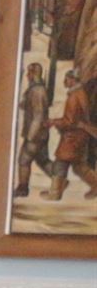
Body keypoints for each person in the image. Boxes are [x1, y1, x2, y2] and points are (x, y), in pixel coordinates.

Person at [41, 68, 97, 200]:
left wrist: (53, 122)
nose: (64, 81)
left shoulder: (74, 96)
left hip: (72, 137)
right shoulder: (80, 93)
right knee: (78, 166)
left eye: (66, 79)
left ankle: (55, 194)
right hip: (78, 136)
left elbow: (70, 121)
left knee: (61, 162)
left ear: (72, 80)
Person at [13, 62, 52, 197]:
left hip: (36, 135)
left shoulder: (37, 91)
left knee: (23, 160)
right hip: (40, 133)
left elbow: (38, 115)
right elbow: (24, 105)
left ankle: (23, 188)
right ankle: (60, 180)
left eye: (29, 73)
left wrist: (30, 136)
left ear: (34, 74)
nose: (27, 76)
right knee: (43, 160)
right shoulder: (35, 89)